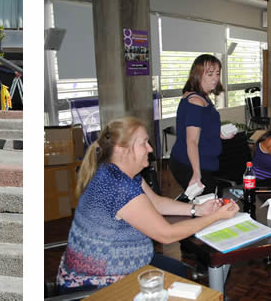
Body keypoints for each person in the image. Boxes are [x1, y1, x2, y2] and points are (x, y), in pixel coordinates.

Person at [56, 117, 239, 293]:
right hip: (97, 282)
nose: (150, 149)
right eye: (143, 143)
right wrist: (216, 216)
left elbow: (157, 203)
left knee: (178, 270)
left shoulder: (121, 173)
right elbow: (165, 235)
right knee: (179, 279)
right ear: (121, 149)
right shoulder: (118, 186)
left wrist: (197, 209)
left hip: (126, 264)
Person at [169, 54, 235, 194]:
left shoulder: (203, 96)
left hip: (203, 162)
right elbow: (191, 141)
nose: (215, 78)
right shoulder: (196, 102)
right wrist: (196, 173)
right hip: (189, 164)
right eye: (210, 74)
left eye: (217, 73)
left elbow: (202, 126)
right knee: (206, 206)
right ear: (198, 74)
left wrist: (218, 133)